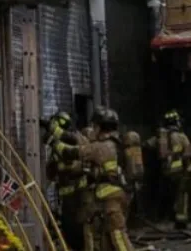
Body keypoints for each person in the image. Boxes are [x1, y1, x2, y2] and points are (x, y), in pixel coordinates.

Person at [50, 107, 133, 251]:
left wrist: (54, 143)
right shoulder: (116, 144)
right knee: (104, 237)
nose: (92, 130)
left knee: (118, 236)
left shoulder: (100, 147)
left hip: (110, 200)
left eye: (94, 126)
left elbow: (70, 152)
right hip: (113, 198)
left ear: (99, 127)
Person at [41, 112, 88, 250]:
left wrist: (52, 140)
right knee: (71, 229)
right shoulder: (72, 138)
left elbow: (66, 154)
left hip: (75, 195)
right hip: (69, 196)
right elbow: (51, 172)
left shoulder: (73, 139)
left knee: (75, 229)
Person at [154, 110, 191, 229]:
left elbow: (159, 153)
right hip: (180, 171)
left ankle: (164, 217)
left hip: (166, 172)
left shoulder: (161, 137)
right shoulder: (182, 136)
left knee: (167, 195)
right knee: (181, 195)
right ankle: (181, 221)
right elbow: (188, 154)